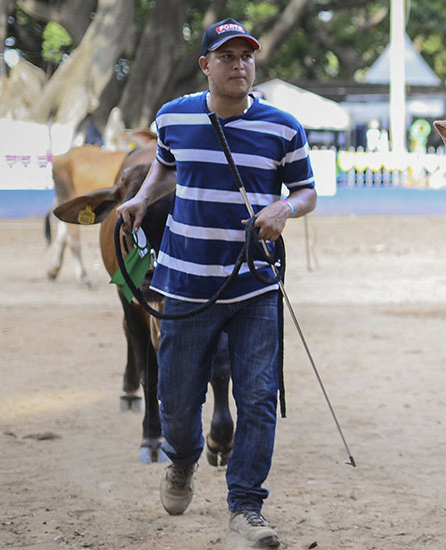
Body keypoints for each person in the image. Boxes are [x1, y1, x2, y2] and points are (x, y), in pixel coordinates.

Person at [117, 17, 317, 548]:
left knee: (256, 399)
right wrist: (142, 198)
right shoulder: (173, 117)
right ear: (206, 65)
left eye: (246, 56)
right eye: (227, 57)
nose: (239, 65)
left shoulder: (283, 126)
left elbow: (306, 192)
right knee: (178, 403)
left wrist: (283, 206)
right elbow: (165, 166)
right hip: (184, 284)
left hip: (255, 289)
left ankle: (246, 507)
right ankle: (181, 461)